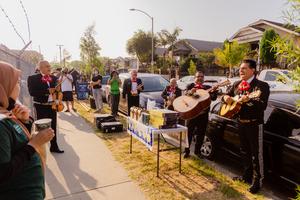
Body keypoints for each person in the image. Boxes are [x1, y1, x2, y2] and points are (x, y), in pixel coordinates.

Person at [0, 61, 54, 199]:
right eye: (16, 83)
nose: (19, 87)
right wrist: (34, 144)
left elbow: (17, 143)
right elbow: (3, 172)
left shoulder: (6, 114)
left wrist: (24, 122)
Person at [223, 59, 270, 194]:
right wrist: (225, 98)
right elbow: (225, 97)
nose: (240, 71)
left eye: (244, 68)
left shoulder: (261, 86)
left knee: (256, 154)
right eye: (240, 68)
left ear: (253, 70)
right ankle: (246, 176)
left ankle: (257, 182)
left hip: (254, 124)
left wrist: (248, 100)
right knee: (244, 151)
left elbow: (262, 105)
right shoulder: (237, 84)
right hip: (240, 123)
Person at [27, 60, 64, 153]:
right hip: (40, 106)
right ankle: (40, 150)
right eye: (47, 66)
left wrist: (57, 91)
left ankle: (54, 147)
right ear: (40, 68)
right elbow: (32, 92)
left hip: (52, 106)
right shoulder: (32, 78)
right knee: (41, 128)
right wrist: (47, 92)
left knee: (53, 126)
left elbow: (58, 91)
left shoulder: (54, 78)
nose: (49, 68)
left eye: (49, 66)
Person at [184, 71, 218, 158]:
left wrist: (214, 91)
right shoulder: (190, 86)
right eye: (198, 76)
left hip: (203, 115)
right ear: (194, 78)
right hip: (191, 114)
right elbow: (184, 97)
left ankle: (197, 151)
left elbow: (213, 98)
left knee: (201, 134)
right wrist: (190, 92)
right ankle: (186, 151)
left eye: (201, 77)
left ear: (204, 78)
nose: (200, 78)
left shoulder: (208, 87)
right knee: (188, 134)